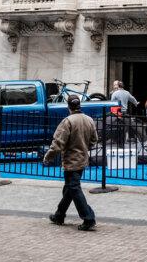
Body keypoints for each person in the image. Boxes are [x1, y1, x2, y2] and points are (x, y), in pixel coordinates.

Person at [44, 96, 97, 231]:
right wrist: (84, 147)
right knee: (69, 189)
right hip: (82, 159)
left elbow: (57, 144)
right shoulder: (89, 120)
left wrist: (48, 157)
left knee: (73, 187)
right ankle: (59, 215)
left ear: (69, 107)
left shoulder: (67, 121)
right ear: (79, 105)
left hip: (71, 160)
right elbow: (94, 140)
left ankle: (88, 217)